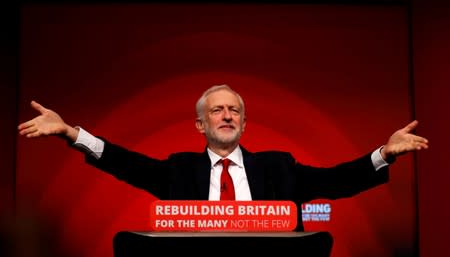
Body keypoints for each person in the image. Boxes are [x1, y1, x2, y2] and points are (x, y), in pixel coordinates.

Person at [17, 84, 429, 231]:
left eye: (234, 110)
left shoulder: (278, 167)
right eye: (217, 110)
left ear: (244, 124)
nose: (227, 115)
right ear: (200, 125)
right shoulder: (179, 170)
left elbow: (335, 181)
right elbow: (125, 162)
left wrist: (383, 153)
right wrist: (73, 134)